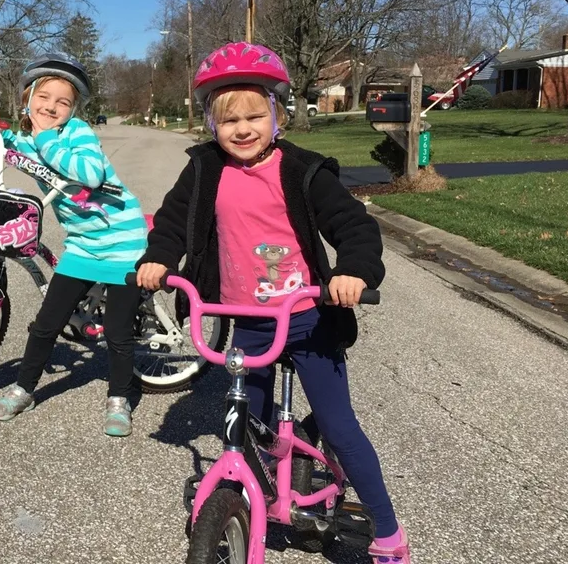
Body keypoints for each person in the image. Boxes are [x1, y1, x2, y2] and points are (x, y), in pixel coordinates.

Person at [136, 42, 411, 563]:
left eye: (255, 115)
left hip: (308, 318)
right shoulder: (204, 170)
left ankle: (389, 532)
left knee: (337, 423)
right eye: (228, 119)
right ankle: (253, 492)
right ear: (212, 125)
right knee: (246, 417)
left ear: (278, 114)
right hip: (248, 318)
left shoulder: (303, 171)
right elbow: (172, 221)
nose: (242, 128)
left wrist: (353, 272)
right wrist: (159, 259)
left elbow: (354, 227)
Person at [0, 52, 148, 437]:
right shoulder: (31, 136)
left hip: (122, 242)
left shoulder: (77, 132)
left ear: (74, 110)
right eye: (45, 96)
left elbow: (90, 173)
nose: (52, 106)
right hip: (84, 245)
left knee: (118, 334)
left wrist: (44, 138)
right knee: (44, 325)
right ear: (28, 97)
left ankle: (119, 399)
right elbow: (16, 149)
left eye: (63, 101)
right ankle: (23, 388)